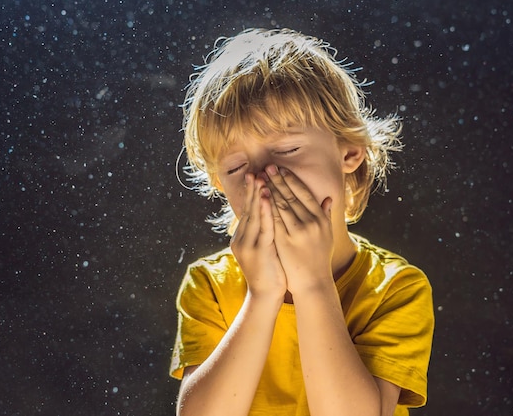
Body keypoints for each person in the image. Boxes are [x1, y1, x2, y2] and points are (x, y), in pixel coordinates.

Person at [170, 28, 434, 416]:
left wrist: (312, 283)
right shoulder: (209, 284)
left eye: (288, 148)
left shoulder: (396, 288)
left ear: (350, 152)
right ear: (219, 186)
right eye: (236, 166)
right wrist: (262, 297)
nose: (262, 177)